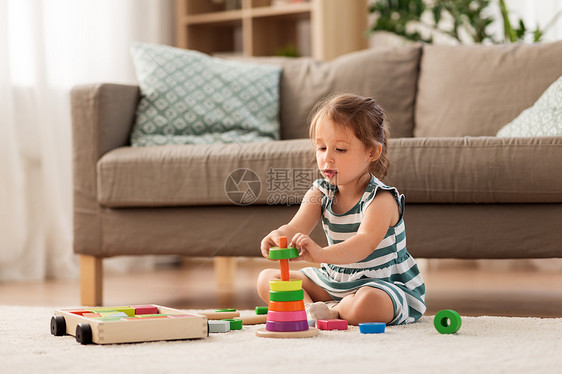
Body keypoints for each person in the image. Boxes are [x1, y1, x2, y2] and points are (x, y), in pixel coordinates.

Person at [257, 93, 426, 325]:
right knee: (267, 279)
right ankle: (311, 310)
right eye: (322, 148)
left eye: (340, 150)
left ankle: (336, 311)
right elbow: (296, 226)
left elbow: (364, 244)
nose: (327, 158)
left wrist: (321, 254)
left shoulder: (381, 199)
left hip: (381, 284)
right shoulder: (321, 192)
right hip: (333, 280)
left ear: (371, 153)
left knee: (370, 304)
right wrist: (278, 237)